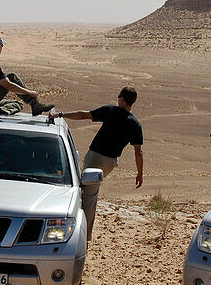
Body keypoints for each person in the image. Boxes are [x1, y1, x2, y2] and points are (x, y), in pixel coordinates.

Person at [50, 87, 143, 238]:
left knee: (88, 195)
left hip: (96, 158)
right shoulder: (135, 124)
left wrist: (61, 115)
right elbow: (138, 152)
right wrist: (140, 174)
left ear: (123, 99)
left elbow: (84, 115)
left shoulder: (111, 111)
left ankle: (81, 236)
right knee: (88, 191)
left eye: (119, 96)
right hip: (111, 162)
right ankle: (80, 231)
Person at [0, 34, 54, 116]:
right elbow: (8, 85)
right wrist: (30, 93)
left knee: (17, 104)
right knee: (11, 77)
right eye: (2, 46)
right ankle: (35, 105)